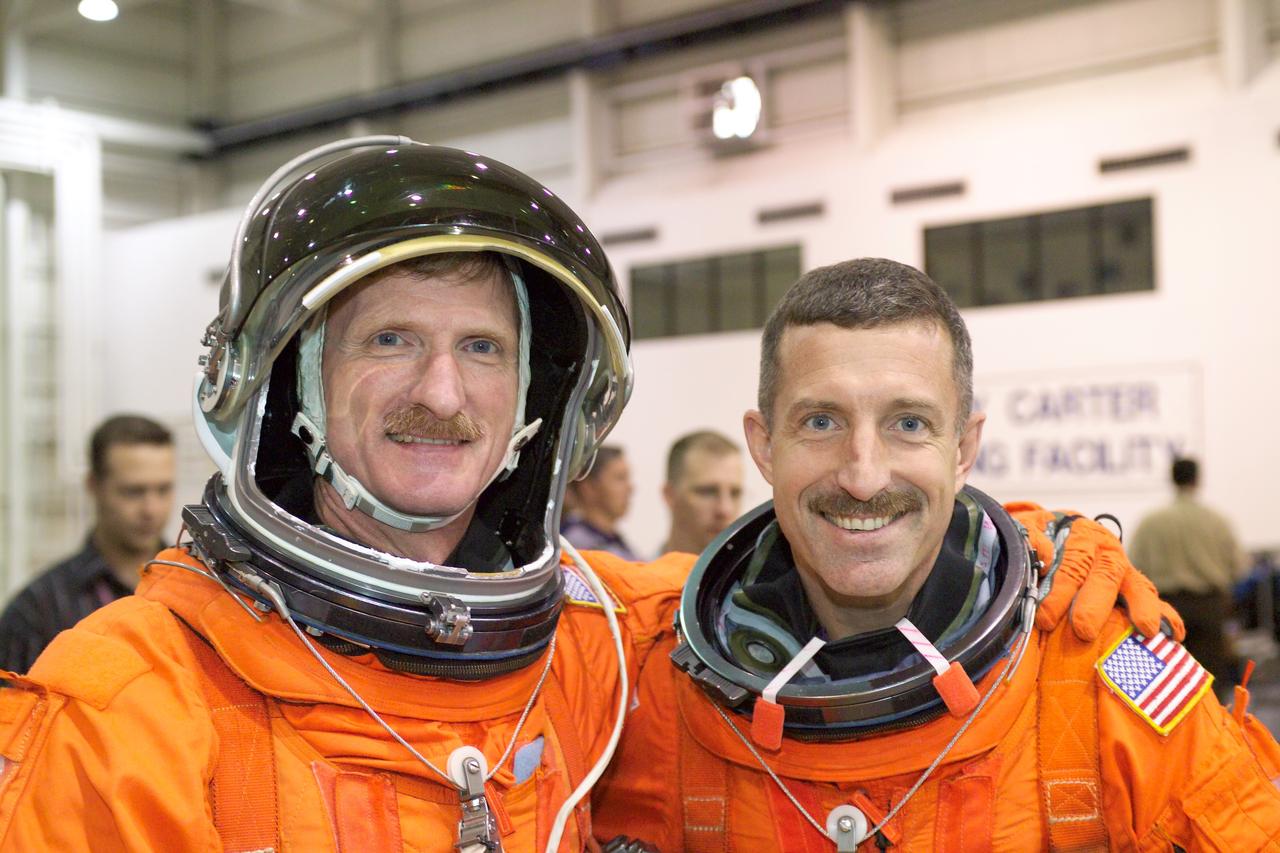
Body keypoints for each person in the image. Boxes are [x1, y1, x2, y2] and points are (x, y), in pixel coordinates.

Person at [0, 137, 685, 852]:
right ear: (298, 380)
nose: (442, 393)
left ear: (530, 398)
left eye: (482, 347)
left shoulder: (606, 642)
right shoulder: (134, 701)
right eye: (391, 339)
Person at [592, 258, 1280, 851]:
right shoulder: (643, 667)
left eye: (909, 423)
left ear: (963, 447)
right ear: (765, 444)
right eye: (821, 421)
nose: (862, 475)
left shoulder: (1104, 661)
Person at [0, 414, 174, 672]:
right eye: (133, 492)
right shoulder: (36, 611)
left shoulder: (195, 590)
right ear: (94, 486)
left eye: (163, 489)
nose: (151, 509)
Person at [1130, 457, 1245, 700]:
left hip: (1165, 611)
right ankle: (1212, 735)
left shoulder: (1151, 523)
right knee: (1211, 683)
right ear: (1197, 479)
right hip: (1209, 607)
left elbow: (1133, 569)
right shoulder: (1217, 521)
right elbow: (1238, 568)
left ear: (1172, 478)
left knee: (1170, 685)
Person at [660, 429, 743, 555]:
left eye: (735, 493)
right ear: (670, 495)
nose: (725, 509)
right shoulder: (634, 574)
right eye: (708, 492)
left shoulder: (761, 574)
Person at [560, 445, 640, 560]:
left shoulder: (616, 541)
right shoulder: (574, 546)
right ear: (588, 488)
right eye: (620, 478)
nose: (630, 488)